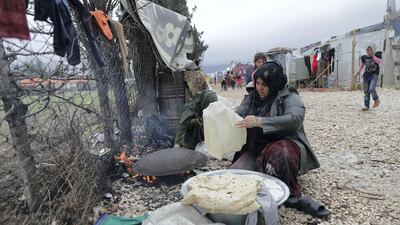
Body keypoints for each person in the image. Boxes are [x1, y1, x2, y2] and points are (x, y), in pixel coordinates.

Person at [232, 62, 331, 218]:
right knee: (234, 178)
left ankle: (292, 196)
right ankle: (262, 170)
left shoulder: (288, 95)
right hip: (255, 148)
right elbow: (237, 114)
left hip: (281, 143)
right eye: (257, 83)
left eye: (265, 84)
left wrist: (259, 121)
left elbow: (295, 119)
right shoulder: (252, 98)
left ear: (275, 83)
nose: (260, 88)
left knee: (282, 155)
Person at [174, 71, 218, 150]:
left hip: (200, 132)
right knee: (195, 122)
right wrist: (177, 145)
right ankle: (191, 147)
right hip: (188, 134)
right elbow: (183, 125)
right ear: (205, 102)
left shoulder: (204, 101)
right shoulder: (191, 107)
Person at [355, 45, 382, 111]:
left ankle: (376, 100)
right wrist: (357, 73)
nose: (369, 52)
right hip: (366, 76)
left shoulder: (377, 55)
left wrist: (373, 56)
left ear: (373, 51)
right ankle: (366, 106)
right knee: (366, 91)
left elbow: (379, 62)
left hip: (374, 75)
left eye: (371, 50)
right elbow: (362, 65)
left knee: (371, 88)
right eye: (368, 50)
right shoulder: (364, 57)